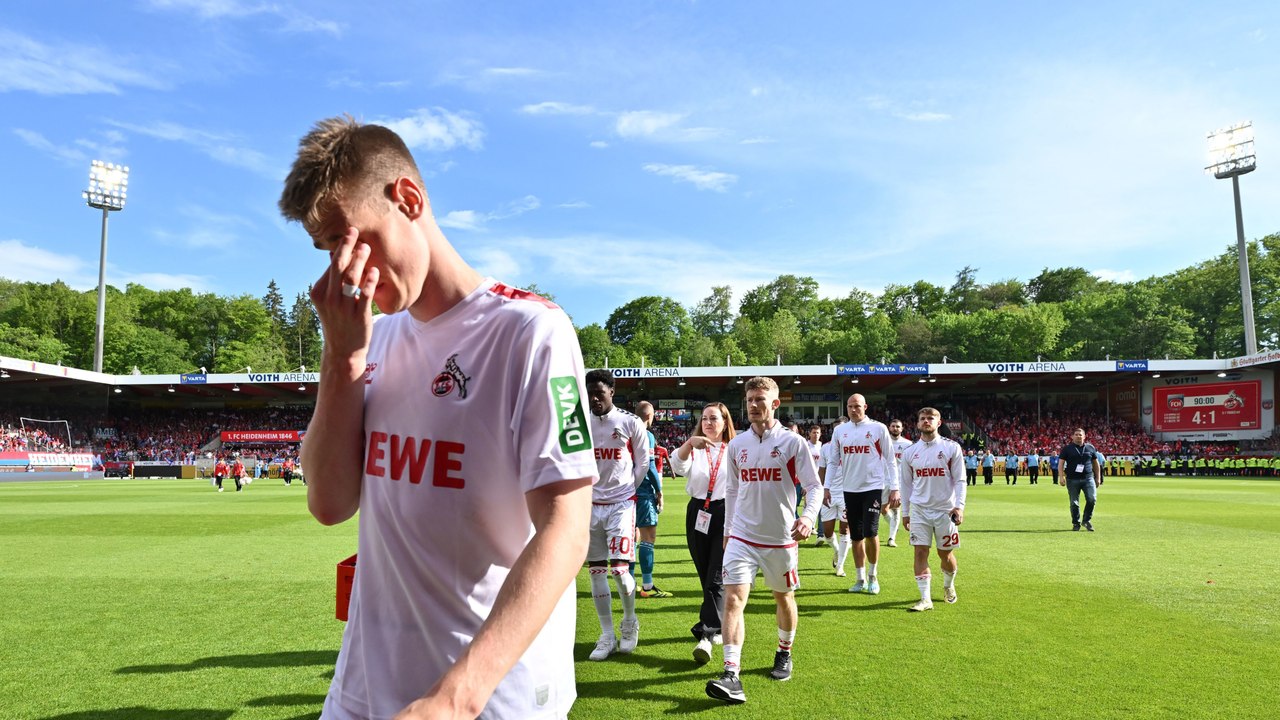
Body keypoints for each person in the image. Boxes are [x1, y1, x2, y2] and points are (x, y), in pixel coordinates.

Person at [279, 115, 595, 719]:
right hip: (363, 689)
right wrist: (341, 356)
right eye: (329, 252)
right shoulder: (372, 338)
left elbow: (566, 529)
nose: (346, 269)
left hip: (489, 698)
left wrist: (453, 700)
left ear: (408, 199)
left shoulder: (530, 332)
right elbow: (329, 502)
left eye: (354, 239)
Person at [706, 377, 821, 704]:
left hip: (780, 539)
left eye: (760, 399)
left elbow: (814, 487)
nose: (753, 405)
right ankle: (731, 673)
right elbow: (731, 491)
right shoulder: (738, 445)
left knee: (783, 599)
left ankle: (784, 652)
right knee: (732, 600)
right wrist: (728, 533)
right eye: (749, 399)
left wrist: (808, 517)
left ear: (774, 404)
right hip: (742, 536)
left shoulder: (792, 444)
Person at [584, 369, 650, 660]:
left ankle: (630, 622)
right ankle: (607, 634)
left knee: (620, 571)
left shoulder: (629, 421)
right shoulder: (580, 422)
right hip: (589, 505)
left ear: (612, 391)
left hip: (621, 505)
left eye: (599, 392)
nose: (595, 398)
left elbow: (643, 463)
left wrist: (625, 491)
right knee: (596, 571)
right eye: (590, 394)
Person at [671, 402, 736, 665]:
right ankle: (717, 624)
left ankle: (705, 635)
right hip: (698, 512)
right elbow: (677, 467)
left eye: (715, 418)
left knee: (716, 576)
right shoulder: (695, 448)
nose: (709, 423)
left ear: (724, 422)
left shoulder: (734, 449)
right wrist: (689, 444)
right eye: (705, 418)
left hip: (724, 512)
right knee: (704, 572)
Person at [829, 394, 901, 595]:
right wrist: (827, 487)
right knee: (856, 536)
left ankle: (873, 576)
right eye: (850, 406)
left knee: (871, 532)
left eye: (857, 406)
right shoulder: (840, 431)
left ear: (865, 407)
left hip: (872, 488)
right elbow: (834, 461)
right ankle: (859, 578)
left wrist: (894, 488)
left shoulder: (878, 429)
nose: (853, 410)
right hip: (849, 489)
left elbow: (890, 460)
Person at [900, 407, 967, 612]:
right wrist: (905, 512)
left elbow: (960, 479)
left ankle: (948, 585)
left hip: (945, 510)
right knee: (920, 552)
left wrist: (960, 506)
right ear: (918, 423)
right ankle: (925, 599)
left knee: (945, 555)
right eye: (923, 418)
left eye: (931, 418)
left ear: (939, 422)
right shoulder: (910, 452)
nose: (926, 421)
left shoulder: (951, 448)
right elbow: (906, 484)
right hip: (919, 509)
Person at [634, 401, 671, 599]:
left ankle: (628, 583)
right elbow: (649, 466)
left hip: (625, 492)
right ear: (650, 416)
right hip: (644, 491)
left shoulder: (625, 431)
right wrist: (659, 490)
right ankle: (647, 587)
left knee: (631, 536)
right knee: (648, 537)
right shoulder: (645, 435)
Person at [818, 418, 850, 576]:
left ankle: (840, 567)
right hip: (830, 493)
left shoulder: (852, 447)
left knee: (845, 531)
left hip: (847, 494)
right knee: (828, 533)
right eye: (836, 429)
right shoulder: (825, 448)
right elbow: (822, 470)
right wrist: (823, 489)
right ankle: (837, 550)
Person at [1058, 428, 1102, 532]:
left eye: (1080, 435)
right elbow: (1061, 464)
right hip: (1072, 479)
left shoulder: (1090, 448)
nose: (1078, 436)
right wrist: (1061, 477)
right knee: (1074, 503)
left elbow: (1096, 464)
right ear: (1072, 437)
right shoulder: (1067, 449)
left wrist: (1098, 478)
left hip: (1088, 478)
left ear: (1084, 436)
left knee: (1092, 499)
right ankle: (1076, 523)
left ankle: (1086, 520)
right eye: (1076, 434)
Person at [885, 419, 912, 548]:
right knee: (882, 509)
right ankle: (893, 526)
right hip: (883, 481)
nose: (895, 428)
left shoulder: (908, 444)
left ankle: (891, 538)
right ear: (889, 428)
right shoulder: (883, 442)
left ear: (902, 429)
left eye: (898, 427)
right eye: (893, 426)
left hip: (899, 482)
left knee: (896, 510)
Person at [804, 424, 827, 546]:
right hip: (807, 480)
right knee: (807, 505)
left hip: (820, 481)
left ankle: (820, 533)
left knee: (819, 506)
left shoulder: (822, 447)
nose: (816, 434)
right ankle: (808, 527)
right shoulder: (805, 446)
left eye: (818, 433)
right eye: (813, 432)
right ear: (809, 433)